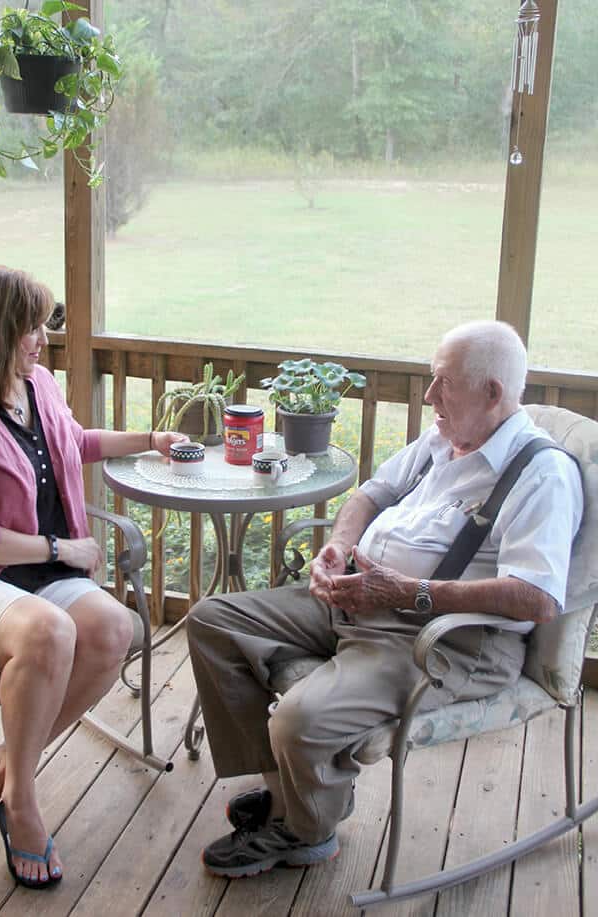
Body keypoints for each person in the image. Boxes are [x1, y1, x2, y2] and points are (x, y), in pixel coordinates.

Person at [186, 320, 583, 878]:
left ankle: (305, 833)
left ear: (492, 392)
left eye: (443, 382)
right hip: (359, 599)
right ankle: (288, 796)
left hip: (443, 640)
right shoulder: (443, 440)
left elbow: (537, 597)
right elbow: (372, 494)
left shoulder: (541, 475)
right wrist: (339, 546)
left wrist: (409, 592)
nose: (428, 396)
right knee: (212, 621)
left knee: (297, 720)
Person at [0, 265, 188, 889]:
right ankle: (22, 804)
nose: (42, 339)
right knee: (51, 631)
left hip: (30, 578)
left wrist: (150, 438)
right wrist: (64, 547)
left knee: (113, 627)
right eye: (31, 327)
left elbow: (72, 441)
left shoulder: (39, 384)